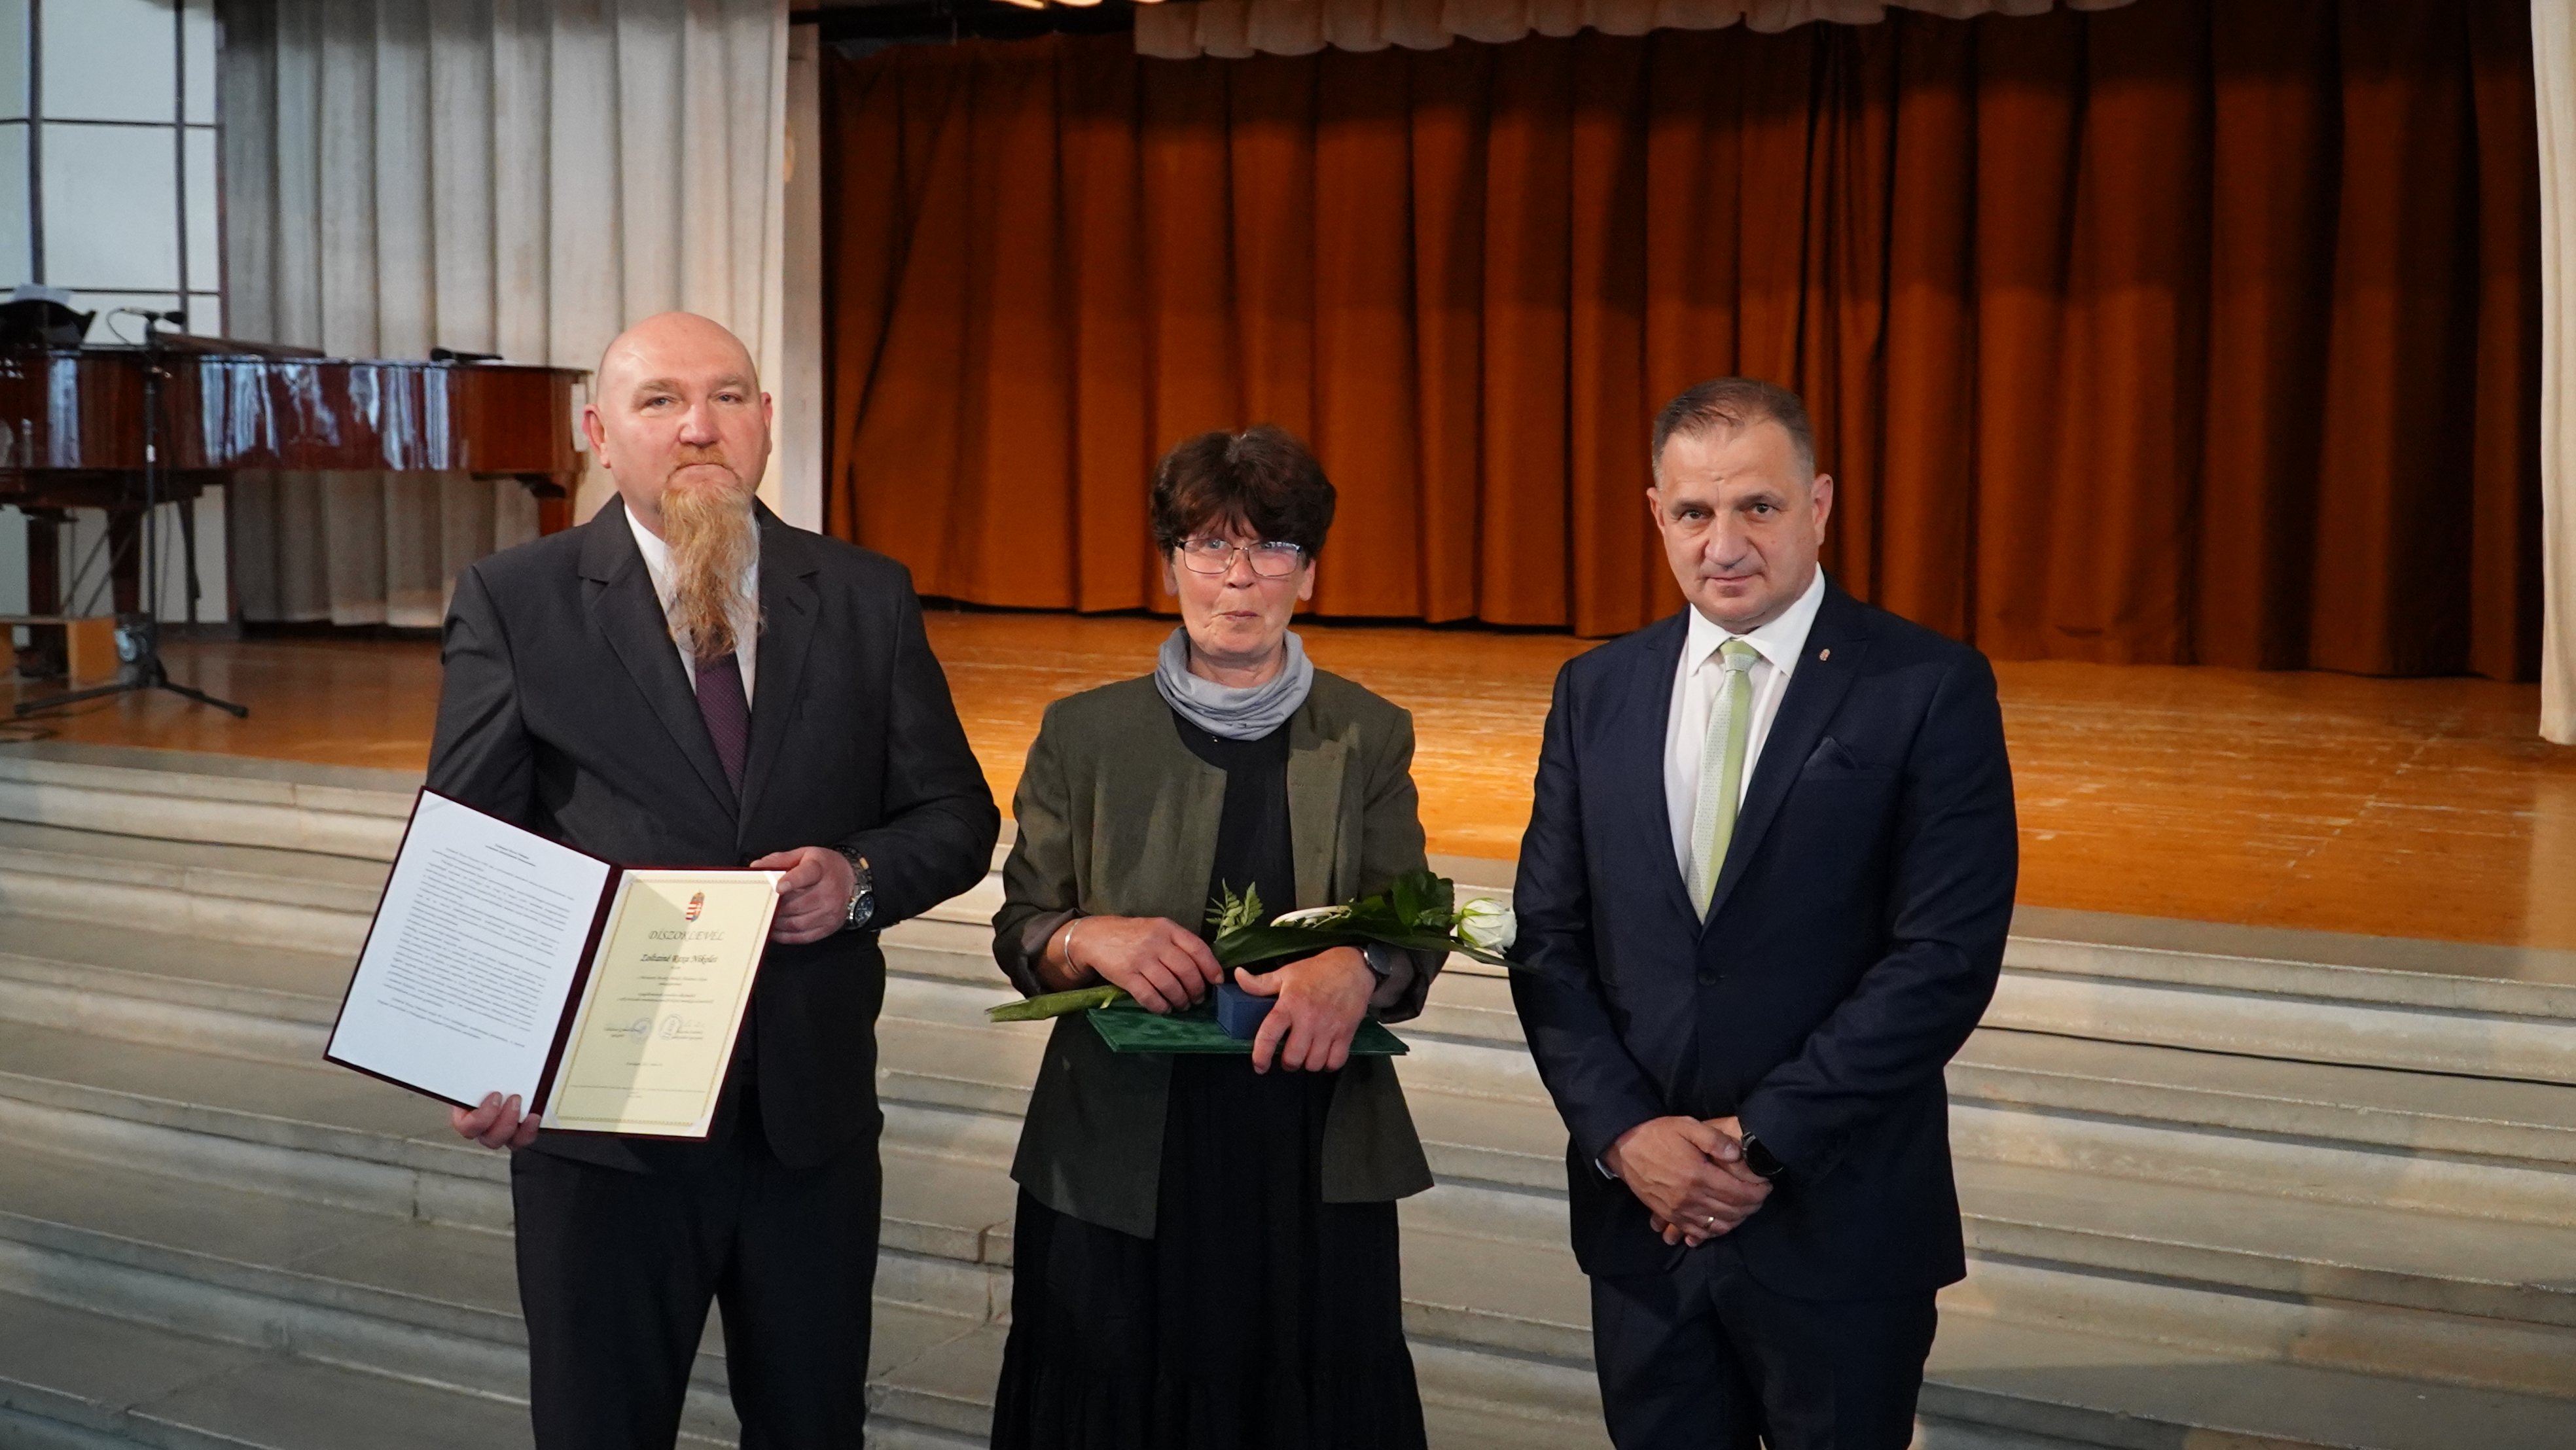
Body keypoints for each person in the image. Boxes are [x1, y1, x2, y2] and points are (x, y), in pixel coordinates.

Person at [430, 311, 999, 1449]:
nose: (700, 427)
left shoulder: (866, 594)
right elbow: (472, 850)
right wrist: (481, 1049)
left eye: (729, 397)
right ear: (599, 433)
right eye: (661, 401)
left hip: (807, 1126)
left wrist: (859, 877)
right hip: (603, 1127)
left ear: (766, 422)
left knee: (812, 1427)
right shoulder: (518, 599)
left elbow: (957, 816)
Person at [1509, 379, 2018, 1449]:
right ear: (1658, 515)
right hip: (1643, 1229)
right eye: (1695, 512)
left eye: (1759, 507)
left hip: (1840, 1225)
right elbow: (1548, 939)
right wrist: (1626, 1135)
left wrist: (1759, 1144)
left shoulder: (1929, 685)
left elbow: (1943, 956)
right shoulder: (1594, 690)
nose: (1725, 543)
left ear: (1819, 505)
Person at [988, 425, 1439, 1450]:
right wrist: (1084, 940)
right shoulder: (1082, 733)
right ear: (1170, 565)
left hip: (1304, 1146)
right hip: (1118, 1147)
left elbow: (1412, 920)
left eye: (1272, 548)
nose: (1239, 578)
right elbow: (1023, 926)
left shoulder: (1368, 732)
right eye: (1209, 546)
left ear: (1308, 574)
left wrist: (1361, 965)